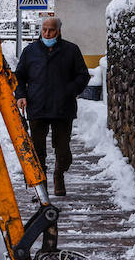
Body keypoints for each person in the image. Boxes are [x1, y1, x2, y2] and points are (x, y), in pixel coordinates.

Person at [15, 15, 90, 197]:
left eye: (51, 30)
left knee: (63, 149)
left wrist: (69, 91)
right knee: (38, 150)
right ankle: (42, 185)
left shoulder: (71, 50)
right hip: (37, 106)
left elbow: (83, 75)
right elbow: (20, 76)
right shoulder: (30, 51)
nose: (47, 34)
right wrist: (21, 95)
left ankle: (59, 174)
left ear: (59, 31)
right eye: (45, 30)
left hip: (62, 108)